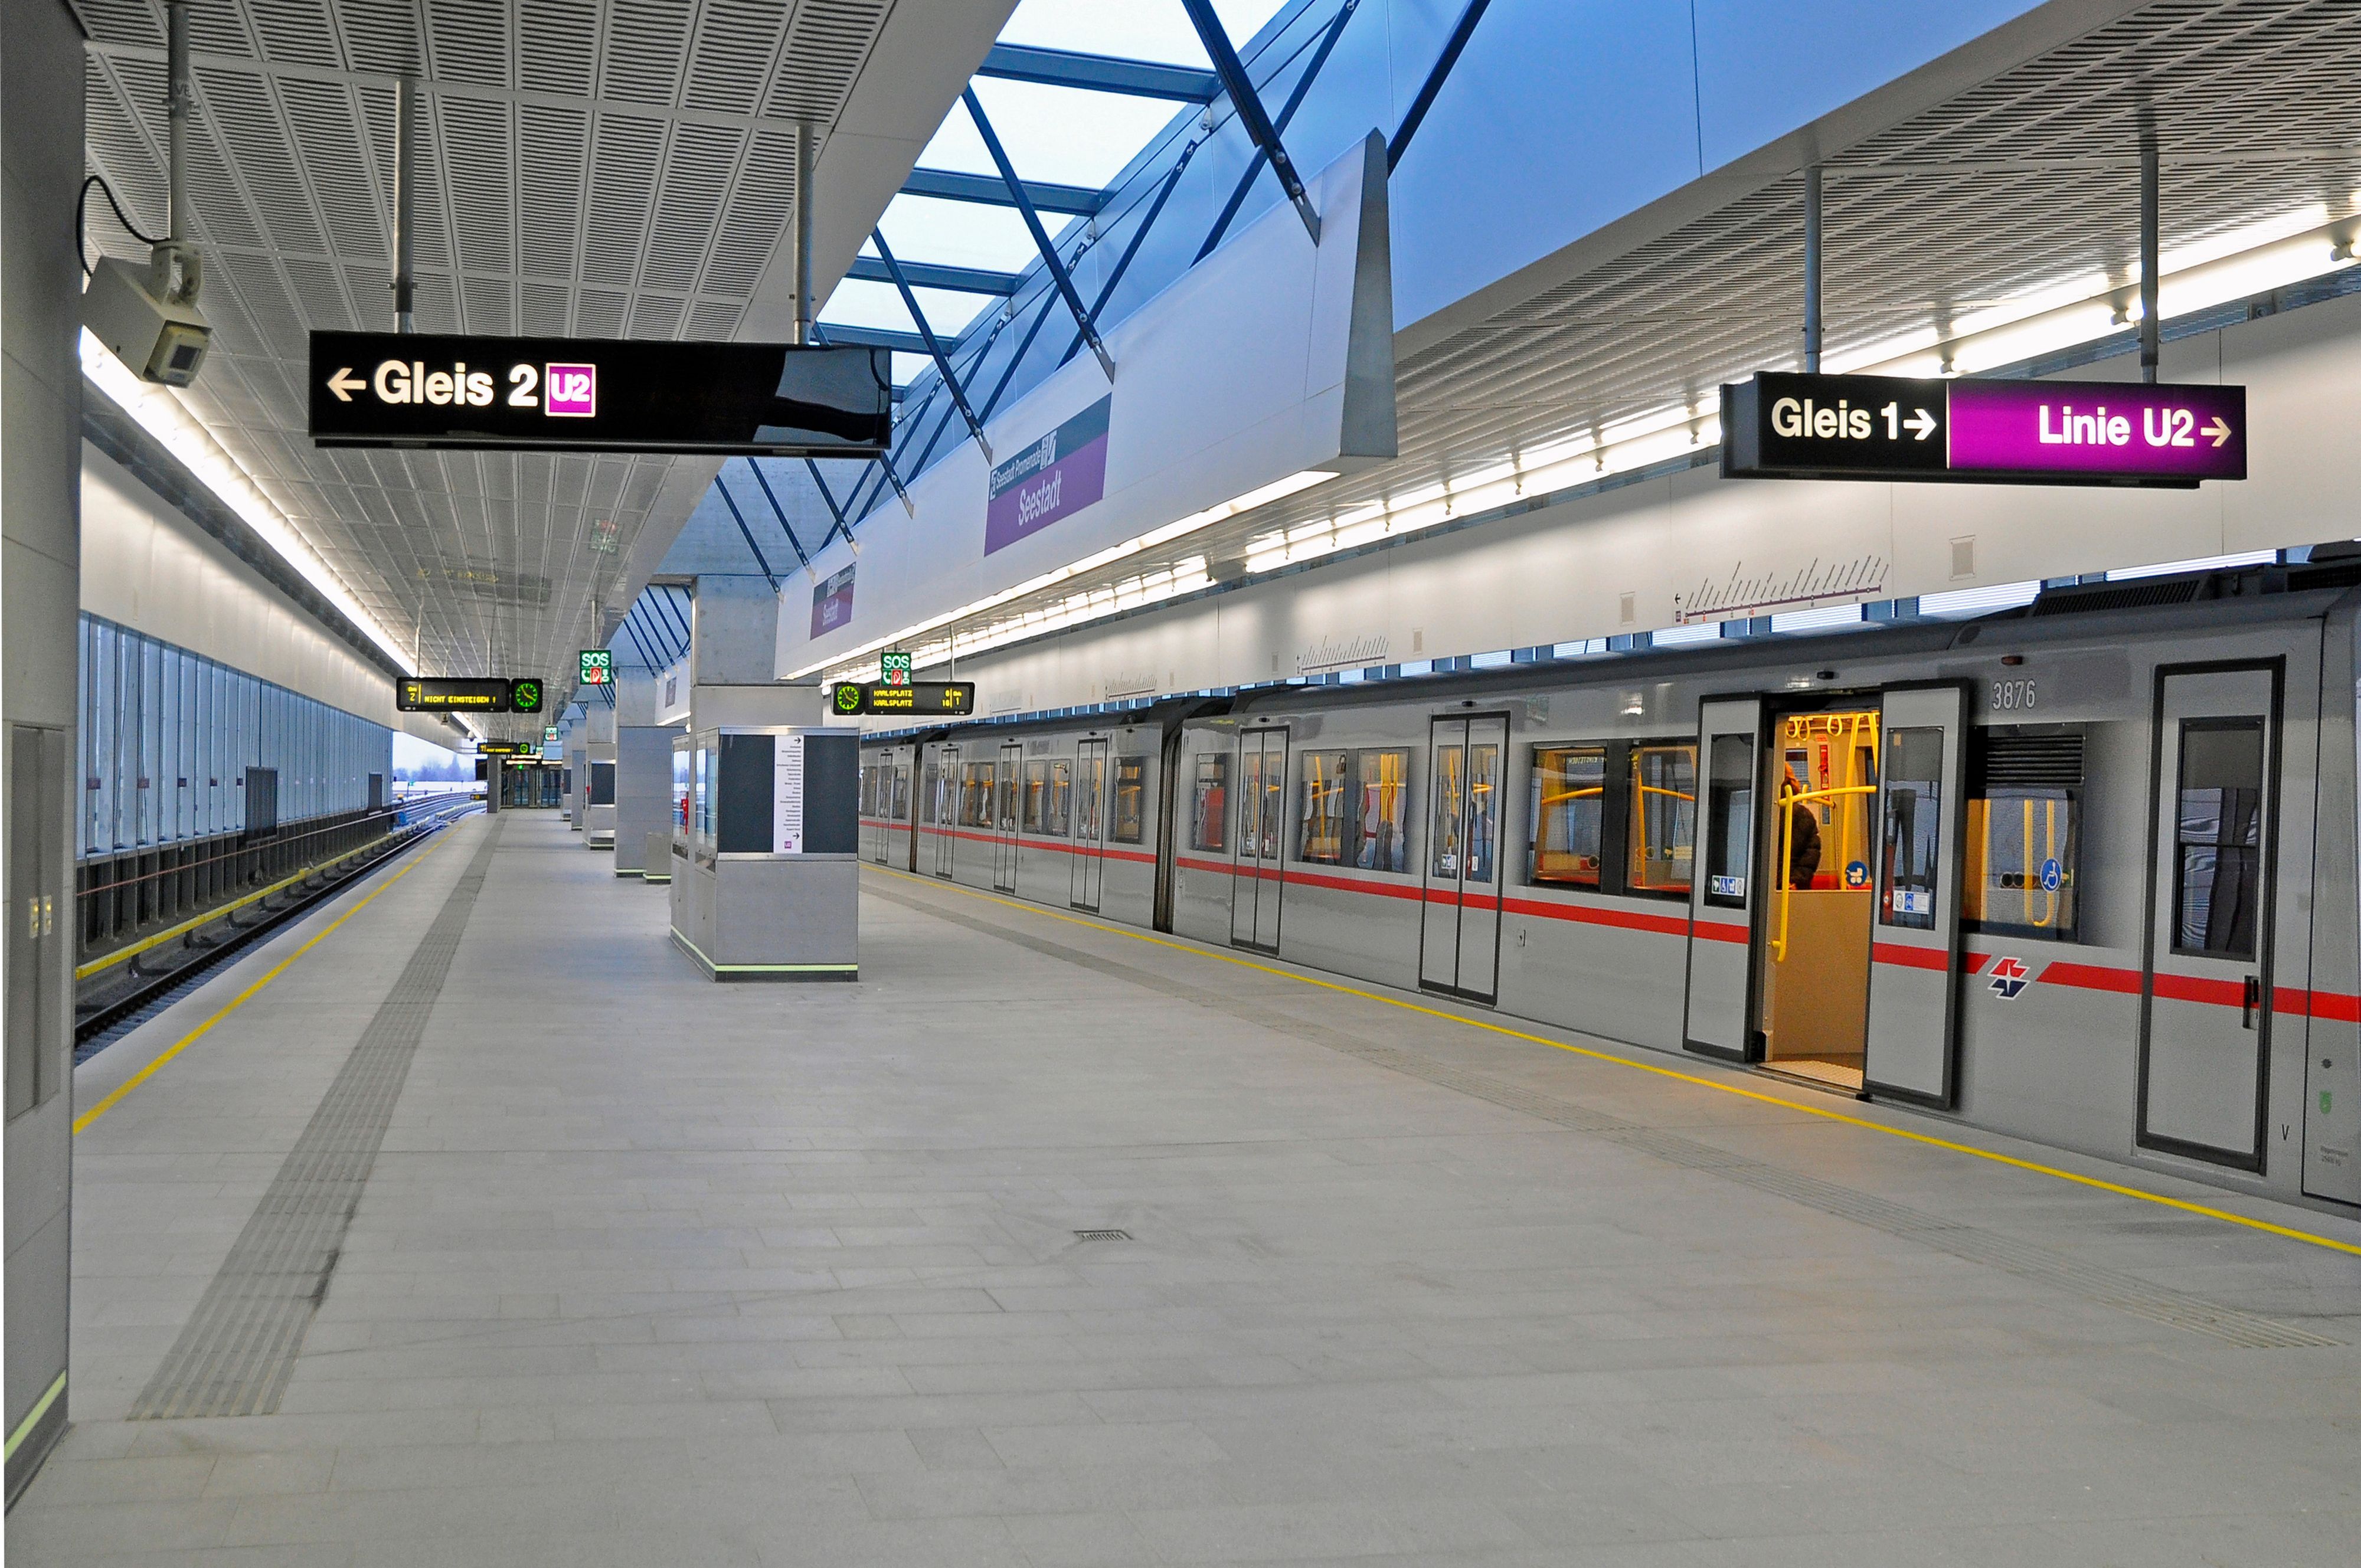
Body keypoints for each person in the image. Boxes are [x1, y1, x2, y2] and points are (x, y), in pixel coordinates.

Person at [1783, 765, 1822, 889]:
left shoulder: (1759, 810)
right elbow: (1811, 852)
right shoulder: (1802, 814)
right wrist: (1796, 881)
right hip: (1792, 886)